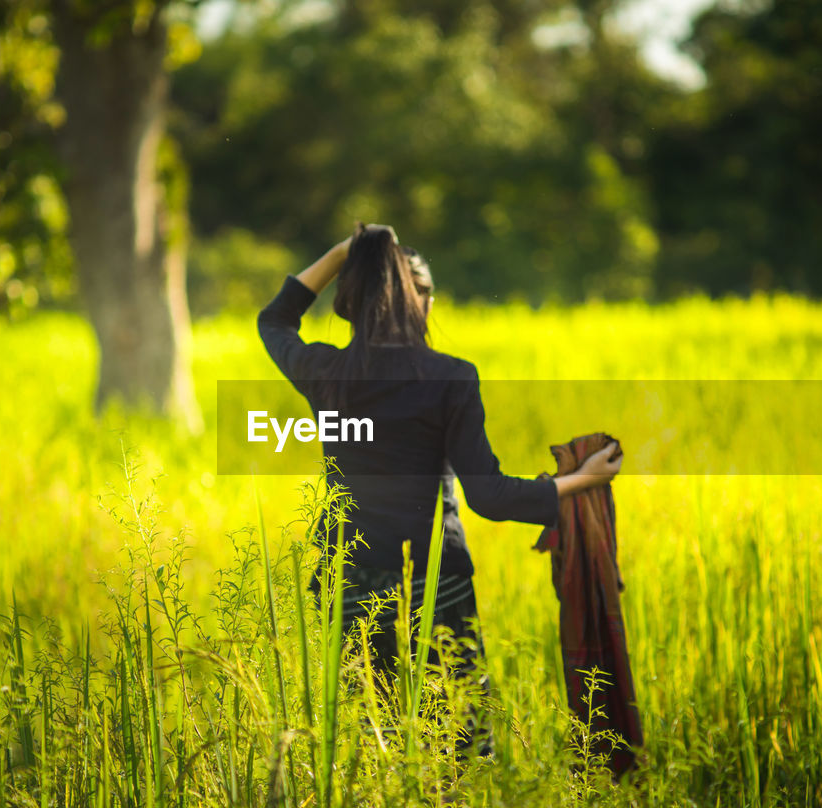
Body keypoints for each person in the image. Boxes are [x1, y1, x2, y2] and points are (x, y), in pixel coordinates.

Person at [257, 223, 621, 749]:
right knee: (451, 747)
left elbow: (276, 319)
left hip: (353, 584)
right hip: (436, 582)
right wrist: (580, 480)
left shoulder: (328, 373)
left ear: (353, 297)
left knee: (371, 744)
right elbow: (489, 497)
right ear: (413, 299)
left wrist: (344, 252)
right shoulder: (450, 377)